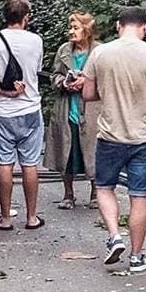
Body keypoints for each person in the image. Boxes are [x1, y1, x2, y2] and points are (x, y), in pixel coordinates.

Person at [79, 5, 146, 274]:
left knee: (105, 187)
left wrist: (109, 90)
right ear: (144, 26)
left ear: (119, 25)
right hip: (144, 137)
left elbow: (87, 94)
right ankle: (137, 256)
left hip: (110, 135)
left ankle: (114, 236)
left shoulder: (100, 53)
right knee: (139, 195)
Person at [0, 0, 47, 231]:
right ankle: (31, 217)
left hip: (2, 111)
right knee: (30, 164)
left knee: (4, 163)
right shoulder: (36, 41)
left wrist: (4, 92)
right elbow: (35, 71)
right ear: (26, 17)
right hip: (30, 109)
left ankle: (5, 218)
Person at [48, 11, 98, 211]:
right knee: (66, 151)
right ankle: (68, 194)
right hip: (68, 107)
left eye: (76, 27)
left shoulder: (99, 52)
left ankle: (96, 193)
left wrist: (86, 81)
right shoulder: (64, 51)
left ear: (87, 30)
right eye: (71, 27)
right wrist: (64, 82)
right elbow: (55, 76)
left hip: (92, 109)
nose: (71, 31)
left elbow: (107, 79)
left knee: (94, 151)